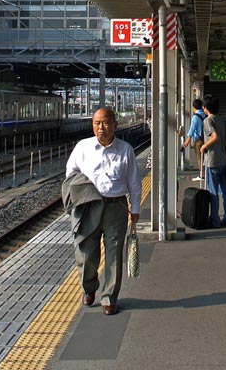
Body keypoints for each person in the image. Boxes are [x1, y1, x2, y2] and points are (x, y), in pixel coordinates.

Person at [65, 107, 141, 315]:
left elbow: (134, 182)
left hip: (116, 206)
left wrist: (135, 208)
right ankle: (89, 288)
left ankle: (109, 298)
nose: (101, 128)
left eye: (106, 123)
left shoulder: (125, 150)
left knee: (114, 254)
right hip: (88, 207)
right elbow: (70, 175)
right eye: (97, 123)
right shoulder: (83, 147)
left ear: (115, 125)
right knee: (86, 253)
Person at [200, 98, 226, 227]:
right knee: (225, 190)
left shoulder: (208, 120)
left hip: (213, 161)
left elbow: (214, 136)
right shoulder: (223, 120)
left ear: (206, 108)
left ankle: (214, 221)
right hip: (224, 161)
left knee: (213, 191)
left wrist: (204, 147)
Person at [181, 98, 207, 179]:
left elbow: (192, 130)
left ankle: (202, 175)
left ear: (194, 107)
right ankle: (207, 174)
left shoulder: (195, 117)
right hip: (206, 140)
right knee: (206, 158)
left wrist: (187, 142)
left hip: (198, 140)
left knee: (200, 158)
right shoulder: (205, 115)